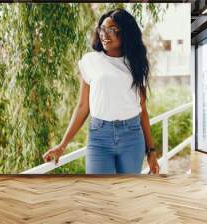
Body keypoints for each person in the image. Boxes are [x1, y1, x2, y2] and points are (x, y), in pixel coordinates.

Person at [43, 8, 160, 175]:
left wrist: (152, 151)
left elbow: (142, 110)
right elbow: (83, 106)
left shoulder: (135, 63)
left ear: (125, 33)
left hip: (132, 136)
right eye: (102, 29)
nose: (105, 34)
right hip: (99, 137)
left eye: (112, 30)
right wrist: (62, 146)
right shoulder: (90, 61)